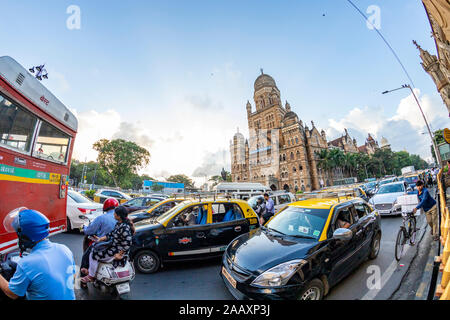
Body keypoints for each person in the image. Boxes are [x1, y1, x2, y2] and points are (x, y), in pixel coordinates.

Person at [0, 207, 76, 300]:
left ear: (24, 237)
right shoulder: (64, 249)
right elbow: (73, 275)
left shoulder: (27, 263)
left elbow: (13, 293)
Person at [80, 206, 135, 283]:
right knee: (97, 250)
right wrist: (99, 239)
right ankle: (92, 272)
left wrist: (120, 254)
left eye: (115, 214)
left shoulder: (124, 227)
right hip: (113, 248)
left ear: (119, 216)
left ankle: (91, 276)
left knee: (93, 254)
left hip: (116, 251)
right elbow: (110, 235)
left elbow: (128, 243)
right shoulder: (118, 224)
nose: (113, 215)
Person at [79, 197, 119, 276]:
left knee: (85, 257)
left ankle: (84, 277)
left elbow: (89, 231)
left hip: (104, 247)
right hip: (118, 248)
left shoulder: (102, 218)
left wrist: (84, 227)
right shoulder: (122, 220)